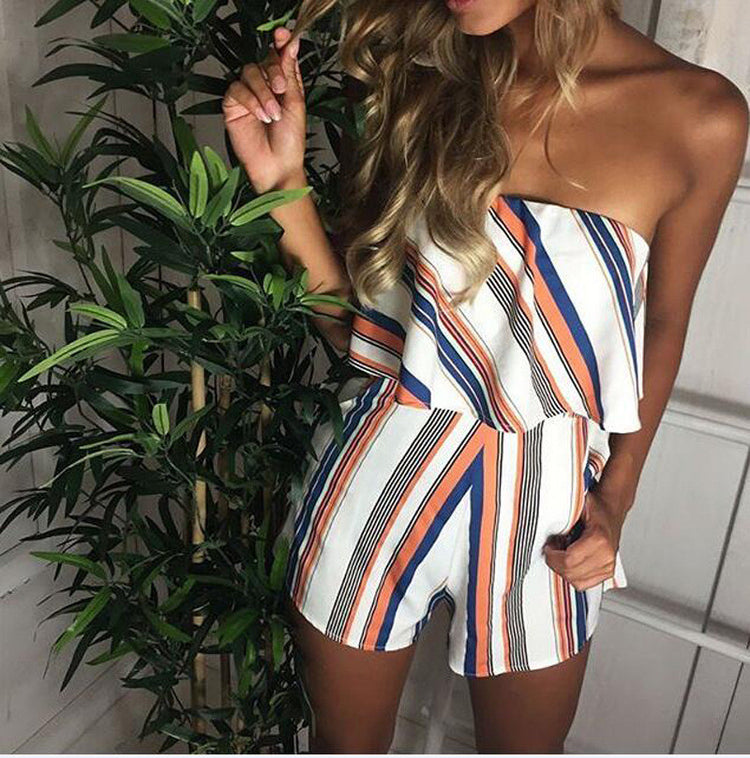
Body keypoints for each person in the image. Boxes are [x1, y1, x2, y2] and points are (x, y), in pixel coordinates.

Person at [222, 0, 748, 752]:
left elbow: (662, 323)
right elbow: (359, 331)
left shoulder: (701, 117)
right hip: (381, 472)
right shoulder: (421, 83)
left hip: (548, 508)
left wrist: (618, 497)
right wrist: (280, 182)